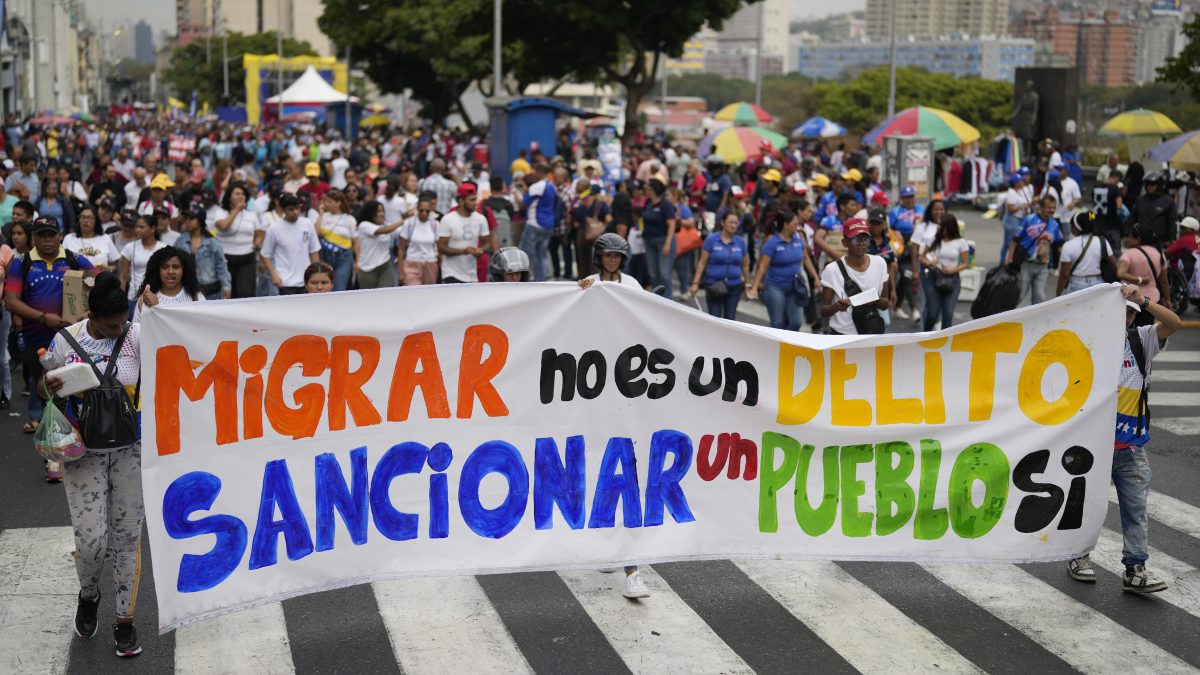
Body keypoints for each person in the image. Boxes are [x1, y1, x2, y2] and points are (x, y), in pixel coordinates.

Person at [40, 271, 145, 657]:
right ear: (93, 317)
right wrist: (48, 384)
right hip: (83, 452)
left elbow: (173, 360)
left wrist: (158, 314)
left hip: (132, 448)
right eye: (111, 324)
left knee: (127, 538)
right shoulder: (65, 340)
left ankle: (124, 621)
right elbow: (43, 383)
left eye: (123, 322)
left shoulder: (136, 335)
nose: (119, 329)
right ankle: (89, 594)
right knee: (91, 541)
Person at [1066, 283, 1181, 594]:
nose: (1125, 319)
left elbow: (1174, 323)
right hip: (1091, 446)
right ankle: (1078, 557)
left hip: (1130, 446)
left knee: (1135, 509)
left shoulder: (1142, 340)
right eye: (1119, 314)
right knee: (1086, 506)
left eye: (1130, 315)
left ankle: (1135, 568)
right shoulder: (1087, 345)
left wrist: (1143, 300)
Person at [3, 216, 95, 466]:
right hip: (37, 342)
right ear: (33, 238)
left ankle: (67, 450)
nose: (46, 239)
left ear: (60, 236)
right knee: (48, 394)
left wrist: (87, 310)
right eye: (41, 235)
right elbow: (11, 300)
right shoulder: (21, 264)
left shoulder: (75, 260)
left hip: (74, 341)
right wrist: (45, 318)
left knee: (74, 392)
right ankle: (56, 450)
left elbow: (98, 286)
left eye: (50, 234)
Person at [748, 208, 819, 331]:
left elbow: (806, 259)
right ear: (786, 225)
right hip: (776, 287)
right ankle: (778, 347)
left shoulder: (798, 240)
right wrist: (755, 286)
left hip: (795, 286)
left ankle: (787, 343)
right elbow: (763, 266)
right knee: (777, 323)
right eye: (795, 224)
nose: (797, 226)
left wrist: (816, 277)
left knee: (796, 322)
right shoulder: (772, 243)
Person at [820, 218, 891, 335]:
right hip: (842, 335)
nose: (862, 243)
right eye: (855, 239)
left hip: (869, 333)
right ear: (844, 243)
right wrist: (837, 307)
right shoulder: (832, 270)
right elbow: (824, 311)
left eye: (865, 239)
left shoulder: (880, 263)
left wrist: (874, 300)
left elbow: (885, 304)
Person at [691, 209, 750, 320]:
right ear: (722, 223)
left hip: (734, 286)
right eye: (730, 222)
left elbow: (745, 265)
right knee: (714, 319)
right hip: (714, 285)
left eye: (736, 223)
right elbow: (702, 263)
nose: (733, 225)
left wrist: (748, 286)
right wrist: (695, 282)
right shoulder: (711, 239)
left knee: (730, 319)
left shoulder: (741, 242)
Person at [1005, 194, 1063, 306]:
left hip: (1043, 267)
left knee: (1039, 296)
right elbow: (1014, 240)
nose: (1051, 210)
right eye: (1049, 207)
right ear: (1041, 208)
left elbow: (1058, 245)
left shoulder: (1055, 225)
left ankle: (1037, 321)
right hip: (1026, 264)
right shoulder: (1029, 219)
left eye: (1053, 208)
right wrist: (1009, 258)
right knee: (1019, 294)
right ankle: (1007, 316)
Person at [261, 193, 321, 295]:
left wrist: (316, 275)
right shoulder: (274, 229)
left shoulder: (308, 224)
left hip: (306, 280)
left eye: (297, 208)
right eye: (291, 209)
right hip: (285, 281)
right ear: (283, 209)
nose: (295, 212)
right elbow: (265, 254)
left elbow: (314, 251)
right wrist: (273, 275)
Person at [919, 213, 970, 332]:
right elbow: (922, 257)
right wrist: (929, 262)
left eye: (942, 226)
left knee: (948, 313)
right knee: (932, 312)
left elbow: (966, 263)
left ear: (950, 226)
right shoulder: (934, 240)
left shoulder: (961, 242)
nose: (938, 228)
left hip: (952, 279)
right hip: (934, 276)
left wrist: (954, 269)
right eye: (939, 225)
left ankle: (944, 342)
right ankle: (925, 335)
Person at [213, 182, 264, 298]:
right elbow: (223, 226)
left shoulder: (251, 215)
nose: (241, 197)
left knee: (244, 293)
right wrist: (236, 210)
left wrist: (257, 241)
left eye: (243, 194)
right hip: (225, 260)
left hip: (246, 258)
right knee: (227, 294)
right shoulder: (220, 212)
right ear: (229, 197)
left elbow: (259, 234)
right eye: (237, 194)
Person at [437, 183, 491, 284]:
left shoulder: (481, 219)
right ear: (461, 201)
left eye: (476, 199)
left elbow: (487, 243)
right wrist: (464, 251)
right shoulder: (447, 219)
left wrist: (481, 250)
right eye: (472, 200)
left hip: (471, 275)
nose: (476, 203)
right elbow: (441, 248)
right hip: (451, 273)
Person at [133, 247, 206, 322]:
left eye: (176, 267)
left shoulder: (197, 297)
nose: (170, 271)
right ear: (157, 271)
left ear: (184, 270)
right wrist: (147, 308)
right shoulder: (146, 299)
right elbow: (136, 330)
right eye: (165, 267)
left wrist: (157, 308)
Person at [175, 205, 231, 300]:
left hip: (211, 291)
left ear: (200, 221)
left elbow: (221, 266)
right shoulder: (180, 240)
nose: (187, 221)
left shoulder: (212, 242)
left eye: (192, 218)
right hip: (187, 291)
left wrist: (226, 288)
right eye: (187, 218)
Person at [1057, 212, 1119, 297]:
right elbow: (1114, 264)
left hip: (1076, 284)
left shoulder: (1068, 246)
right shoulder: (1102, 241)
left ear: (1075, 228)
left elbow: (1064, 274)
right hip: (1097, 284)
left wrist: (1058, 293)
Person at [118, 215, 168, 315]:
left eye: (141, 227)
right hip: (133, 297)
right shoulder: (130, 247)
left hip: (156, 297)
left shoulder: (163, 248)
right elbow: (122, 277)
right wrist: (120, 299)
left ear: (153, 228)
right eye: (136, 227)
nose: (137, 230)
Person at [888, 186, 924, 319]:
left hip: (916, 244)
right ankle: (914, 309)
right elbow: (888, 232)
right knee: (907, 275)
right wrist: (895, 248)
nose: (909, 200)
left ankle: (896, 307)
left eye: (911, 196)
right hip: (901, 245)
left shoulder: (921, 210)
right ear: (902, 198)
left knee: (905, 277)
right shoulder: (895, 212)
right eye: (907, 197)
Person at [1118, 224, 1168, 315]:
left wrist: (1140, 279)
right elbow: (1164, 281)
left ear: (1138, 239)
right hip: (1150, 300)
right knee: (1146, 328)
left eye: (1130, 237)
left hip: (1128, 299)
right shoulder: (1160, 254)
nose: (1127, 240)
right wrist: (1168, 300)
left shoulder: (1129, 253)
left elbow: (1121, 273)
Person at [313, 189, 357, 291]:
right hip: (325, 256)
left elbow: (356, 242)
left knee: (340, 287)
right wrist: (321, 214)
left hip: (344, 257)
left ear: (339, 203)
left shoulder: (349, 219)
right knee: (326, 288)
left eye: (329, 202)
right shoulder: (324, 216)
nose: (326, 204)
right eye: (325, 201)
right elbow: (317, 233)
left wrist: (357, 261)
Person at [520, 164, 557, 282]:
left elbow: (523, 204)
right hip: (549, 224)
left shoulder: (536, 186)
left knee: (526, 252)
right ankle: (542, 279)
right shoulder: (552, 186)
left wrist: (518, 192)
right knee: (542, 254)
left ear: (540, 172)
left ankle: (526, 278)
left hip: (535, 223)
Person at [641, 178, 677, 298]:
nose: (645, 190)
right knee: (653, 274)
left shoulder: (665, 204)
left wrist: (668, 242)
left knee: (664, 274)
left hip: (663, 240)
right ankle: (656, 300)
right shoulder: (648, 203)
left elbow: (672, 223)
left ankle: (668, 301)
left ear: (652, 189)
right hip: (649, 241)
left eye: (647, 188)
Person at [355, 200, 402, 289]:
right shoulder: (364, 225)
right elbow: (383, 231)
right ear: (370, 213)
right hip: (367, 268)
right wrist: (402, 221)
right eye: (378, 211)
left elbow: (400, 233)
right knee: (370, 299)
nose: (382, 214)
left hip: (385, 266)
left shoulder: (386, 225)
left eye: (383, 211)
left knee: (386, 295)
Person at [397, 196, 440, 287]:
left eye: (427, 211)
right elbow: (401, 249)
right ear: (417, 209)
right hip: (412, 263)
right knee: (413, 292)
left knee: (428, 294)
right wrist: (400, 271)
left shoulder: (435, 224)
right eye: (421, 210)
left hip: (430, 263)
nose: (424, 213)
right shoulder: (409, 224)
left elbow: (439, 247)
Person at [64, 207, 120, 271]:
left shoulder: (105, 238)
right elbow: (61, 265)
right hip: (75, 279)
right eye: (82, 217)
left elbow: (114, 265)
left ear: (96, 220)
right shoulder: (69, 238)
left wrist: (108, 269)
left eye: (89, 218)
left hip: (101, 279)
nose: (86, 220)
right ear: (78, 220)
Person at [1135, 172, 1177, 245]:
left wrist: (1171, 240)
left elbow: (1172, 222)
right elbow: (1132, 218)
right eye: (1147, 184)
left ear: (1159, 185)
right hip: (1140, 241)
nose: (1149, 186)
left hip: (1159, 242)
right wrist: (1127, 233)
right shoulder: (1140, 200)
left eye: (1152, 184)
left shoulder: (1168, 201)